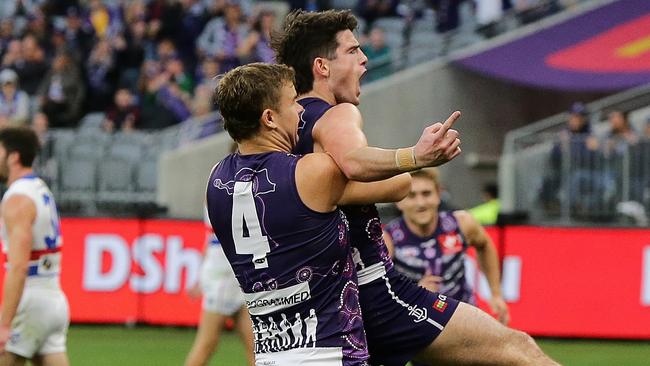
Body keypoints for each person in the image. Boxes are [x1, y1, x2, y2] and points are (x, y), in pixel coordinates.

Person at [273, 9, 558, 365]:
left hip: (322, 303)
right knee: (519, 351)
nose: (364, 60)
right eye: (352, 51)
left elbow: (304, 195)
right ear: (322, 67)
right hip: (376, 291)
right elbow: (354, 161)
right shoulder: (336, 114)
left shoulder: (280, 129)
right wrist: (414, 158)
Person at [206, 62, 411, 365]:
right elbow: (399, 184)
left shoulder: (215, 180)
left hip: (269, 356)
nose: (301, 112)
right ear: (270, 118)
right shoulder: (311, 173)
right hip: (329, 352)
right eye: (293, 102)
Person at [383, 169, 509, 324]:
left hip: (464, 317)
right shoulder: (388, 238)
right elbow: (380, 293)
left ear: (438, 195)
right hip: (417, 324)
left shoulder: (461, 223)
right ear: (399, 201)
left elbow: (485, 245)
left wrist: (496, 294)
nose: (420, 203)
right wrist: (416, 294)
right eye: (411, 195)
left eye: (426, 193)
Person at [0, 127, 70, 366]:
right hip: (54, 299)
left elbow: (19, 267)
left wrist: (5, 323)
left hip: (30, 298)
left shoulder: (17, 199)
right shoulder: (40, 189)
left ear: (13, 157)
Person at [185, 210, 254, 366]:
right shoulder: (220, 187)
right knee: (207, 344)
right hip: (223, 275)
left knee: (257, 346)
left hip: (242, 272)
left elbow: (210, 238)